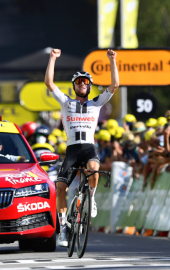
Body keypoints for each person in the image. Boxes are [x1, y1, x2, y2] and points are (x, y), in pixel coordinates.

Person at [45, 48, 119, 247]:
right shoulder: (66, 102)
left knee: (94, 169)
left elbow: (115, 85)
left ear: (90, 86)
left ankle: (91, 198)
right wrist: (52, 58)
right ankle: (62, 230)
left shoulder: (96, 103)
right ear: (74, 86)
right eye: (79, 82)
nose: (83, 85)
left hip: (88, 148)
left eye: (86, 82)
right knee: (60, 188)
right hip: (72, 151)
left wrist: (113, 60)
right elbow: (49, 83)